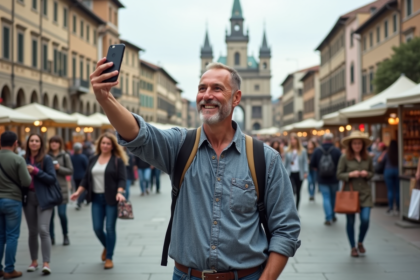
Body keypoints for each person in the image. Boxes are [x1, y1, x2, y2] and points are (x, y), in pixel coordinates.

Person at [89, 59, 301, 279]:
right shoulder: (180, 145)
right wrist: (105, 99)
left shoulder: (265, 159)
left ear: (236, 97)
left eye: (217, 88)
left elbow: (286, 229)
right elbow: (139, 135)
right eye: (202, 88)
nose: (207, 95)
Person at [70, 133, 127, 270]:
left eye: (108, 143)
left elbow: (122, 179)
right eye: (103, 143)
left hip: (112, 199)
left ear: (112, 146)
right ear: (99, 144)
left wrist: (120, 192)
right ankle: (108, 246)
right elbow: (85, 178)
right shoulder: (93, 159)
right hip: (96, 198)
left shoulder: (117, 160)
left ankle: (109, 258)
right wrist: (78, 192)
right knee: (97, 228)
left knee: (109, 228)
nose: (105, 145)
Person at [24, 133, 57, 275]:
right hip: (28, 197)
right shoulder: (22, 159)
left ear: (40, 143)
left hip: (44, 198)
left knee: (43, 229)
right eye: (32, 140)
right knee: (32, 231)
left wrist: (36, 171)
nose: (34, 143)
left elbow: (52, 178)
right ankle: (34, 261)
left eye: (37, 141)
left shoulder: (46, 159)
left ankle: (46, 263)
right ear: (28, 143)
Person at [337, 131, 374, 258]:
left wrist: (366, 174)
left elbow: (372, 173)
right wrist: (350, 175)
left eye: (359, 143)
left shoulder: (367, 157)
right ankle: (353, 247)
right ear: (350, 145)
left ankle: (360, 242)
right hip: (350, 194)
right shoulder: (344, 157)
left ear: (363, 145)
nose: (357, 145)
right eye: (354, 143)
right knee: (350, 221)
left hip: (365, 193)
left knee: (365, 220)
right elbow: (339, 174)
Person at [0, 132, 32, 279]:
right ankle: (9, 269)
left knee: (0, 236)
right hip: (13, 200)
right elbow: (26, 182)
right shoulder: (18, 159)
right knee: (12, 236)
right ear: (15, 143)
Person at [310, 133, 342, 225]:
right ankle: (333, 215)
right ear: (332, 140)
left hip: (322, 178)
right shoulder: (336, 150)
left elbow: (312, 164)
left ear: (323, 140)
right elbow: (341, 164)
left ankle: (328, 218)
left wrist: (319, 170)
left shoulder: (317, 150)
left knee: (326, 197)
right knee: (333, 197)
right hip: (334, 178)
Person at [47, 136, 73, 246]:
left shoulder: (65, 155)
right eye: (52, 142)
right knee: (50, 216)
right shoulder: (46, 156)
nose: (54, 144)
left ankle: (65, 235)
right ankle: (51, 237)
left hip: (62, 189)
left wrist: (59, 168)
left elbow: (70, 170)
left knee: (62, 214)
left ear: (60, 144)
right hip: (49, 189)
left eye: (56, 142)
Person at [284, 133, 308, 210]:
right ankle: (291, 209)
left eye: (294, 139)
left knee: (298, 191)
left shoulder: (303, 151)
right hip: (290, 173)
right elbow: (286, 163)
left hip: (299, 173)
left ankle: (296, 209)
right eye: (291, 139)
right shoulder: (287, 150)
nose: (293, 141)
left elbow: (305, 162)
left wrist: (305, 172)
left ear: (297, 140)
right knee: (291, 191)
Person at [383, 140, 399, 215]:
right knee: (397, 190)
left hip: (388, 170)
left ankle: (391, 207)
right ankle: (398, 207)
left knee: (390, 190)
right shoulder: (399, 152)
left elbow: (380, 160)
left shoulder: (387, 152)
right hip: (397, 170)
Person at [70, 143, 89, 210]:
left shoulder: (71, 157)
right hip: (82, 176)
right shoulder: (83, 157)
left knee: (78, 189)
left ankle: (80, 200)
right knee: (82, 190)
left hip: (75, 176)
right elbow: (87, 167)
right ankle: (79, 201)